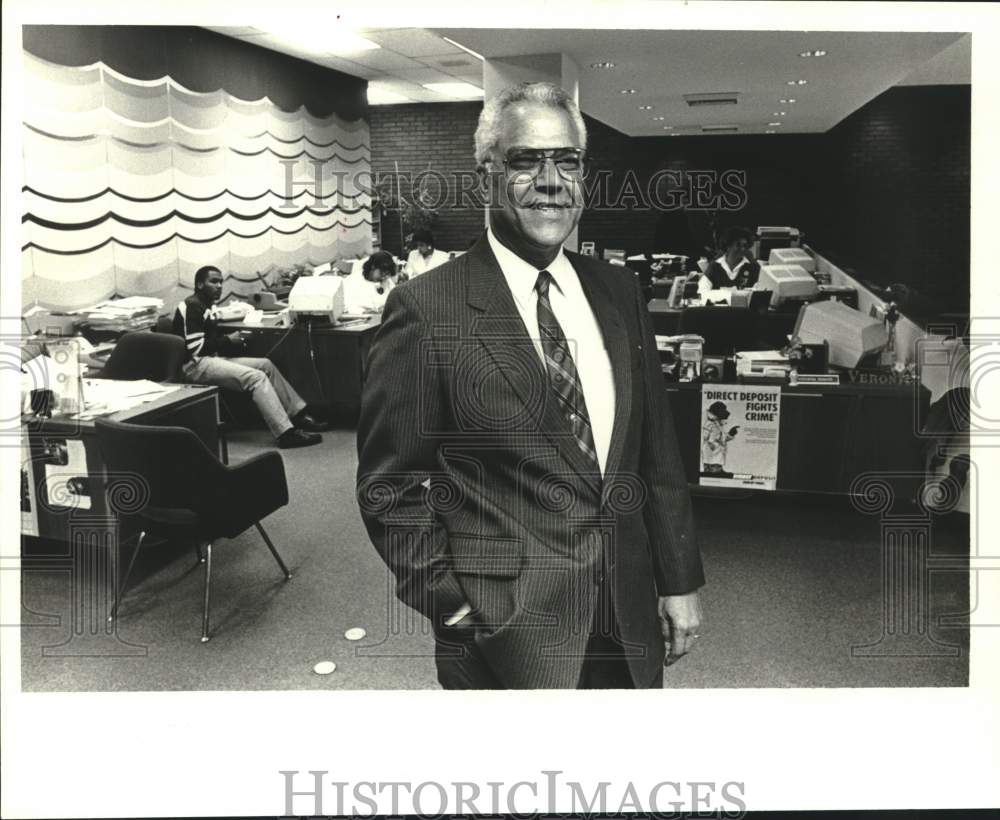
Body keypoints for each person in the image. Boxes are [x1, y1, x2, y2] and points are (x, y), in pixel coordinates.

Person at [357, 81, 704, 689]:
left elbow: (657, 455)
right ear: (486, 174)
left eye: (567, 160)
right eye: (525, 160)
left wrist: (678, 581)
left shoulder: (619, 292)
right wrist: (454, 605)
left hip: (628, 615)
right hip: (506, 640)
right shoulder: (426, 309)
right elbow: (391, 487)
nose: (551, 181)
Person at [173, 266, 327, 449]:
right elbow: (195, 347)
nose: (219, 286)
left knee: (265, 364)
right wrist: (228, 340)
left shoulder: (205, 305)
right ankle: (285, 433)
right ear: (199, 284)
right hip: (194, 365)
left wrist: (228, 341)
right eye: (213, 281)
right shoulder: (193, 305)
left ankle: (298, 415)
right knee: (256, 377)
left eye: (221, 281)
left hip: (209, 359)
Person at [698, 226, 761, 297]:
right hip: (719, 308)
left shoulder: (753, 267)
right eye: (738, 245)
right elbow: (702, 291)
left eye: (745, 246)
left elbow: (758, 292)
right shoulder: (715, 266)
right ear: (728, 246)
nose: (742, 249)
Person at [702, 401, 738, 476]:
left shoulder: (717, 424)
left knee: (714, 469)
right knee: (713, 473)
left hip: (715, 457)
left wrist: (731, 433)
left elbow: (721, 438)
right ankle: (715, 471)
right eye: (724, 410)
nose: (727, 412)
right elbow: (705, 438)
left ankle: (717, 470)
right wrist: (714, 446)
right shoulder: (710, 424)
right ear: (717, 411)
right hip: (712, 457)